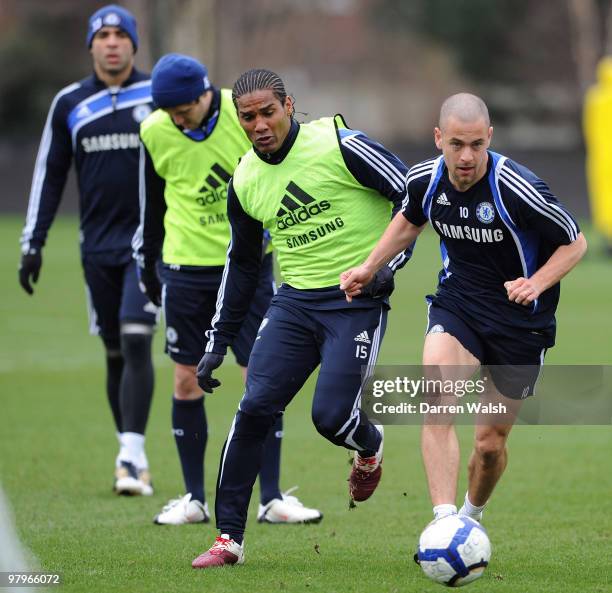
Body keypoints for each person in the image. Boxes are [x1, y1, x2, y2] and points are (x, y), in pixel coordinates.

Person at [191, 68, 412, 568]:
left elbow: (411, 200)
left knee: (330, 418)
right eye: (248, 117)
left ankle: (370, 445)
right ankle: (228, 539)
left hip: (355, 300)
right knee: (253, 409)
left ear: (289, 106)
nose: (259, 124)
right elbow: (243, 264)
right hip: (292, 304)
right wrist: (217, 342)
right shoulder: (245, 179)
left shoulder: (341, 144)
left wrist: (382, 270)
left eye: (268, 112)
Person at [341, 93, 587, 528]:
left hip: (520, 324)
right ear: (439, 138)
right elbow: (409, 219)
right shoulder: (425, 180)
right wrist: (368, 267)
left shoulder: (518, 188)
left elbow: (575, 242)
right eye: (457, 144)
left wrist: (536, 284)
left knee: (489, 445)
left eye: (477, 144)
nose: (467, 156)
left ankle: (471, 518)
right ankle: (443, 520)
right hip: (459, 307)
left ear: (489, 137)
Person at [133, 54, 322, 526]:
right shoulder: (154, 130)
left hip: (248, 268)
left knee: (260, 380)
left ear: (203, 94)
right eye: (168, 109)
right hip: (184, 269)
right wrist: (149, 263)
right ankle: (194, 499)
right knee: (184, 378)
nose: (176, 117)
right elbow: (152, 202)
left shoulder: (244, 113)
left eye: (183, 107)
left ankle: (272, 497)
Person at [18, 5, 156, 496]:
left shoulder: (158, 97)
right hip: (95, 248)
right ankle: (132, 452)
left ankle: (130, 455)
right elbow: (48, 175)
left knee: (138, 336)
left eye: (122, 34)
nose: (112, 43)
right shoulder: (69, 103)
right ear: (91, 45)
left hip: (147, 247)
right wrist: (32, 244)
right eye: (104, 35)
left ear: (134, 44)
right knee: (115, 350)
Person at [583, 56, 612, 256]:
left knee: (603, 197)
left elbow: (587, 127)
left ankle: (607, 236)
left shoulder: (594, 97)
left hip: (599, 157)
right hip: (602, 156)